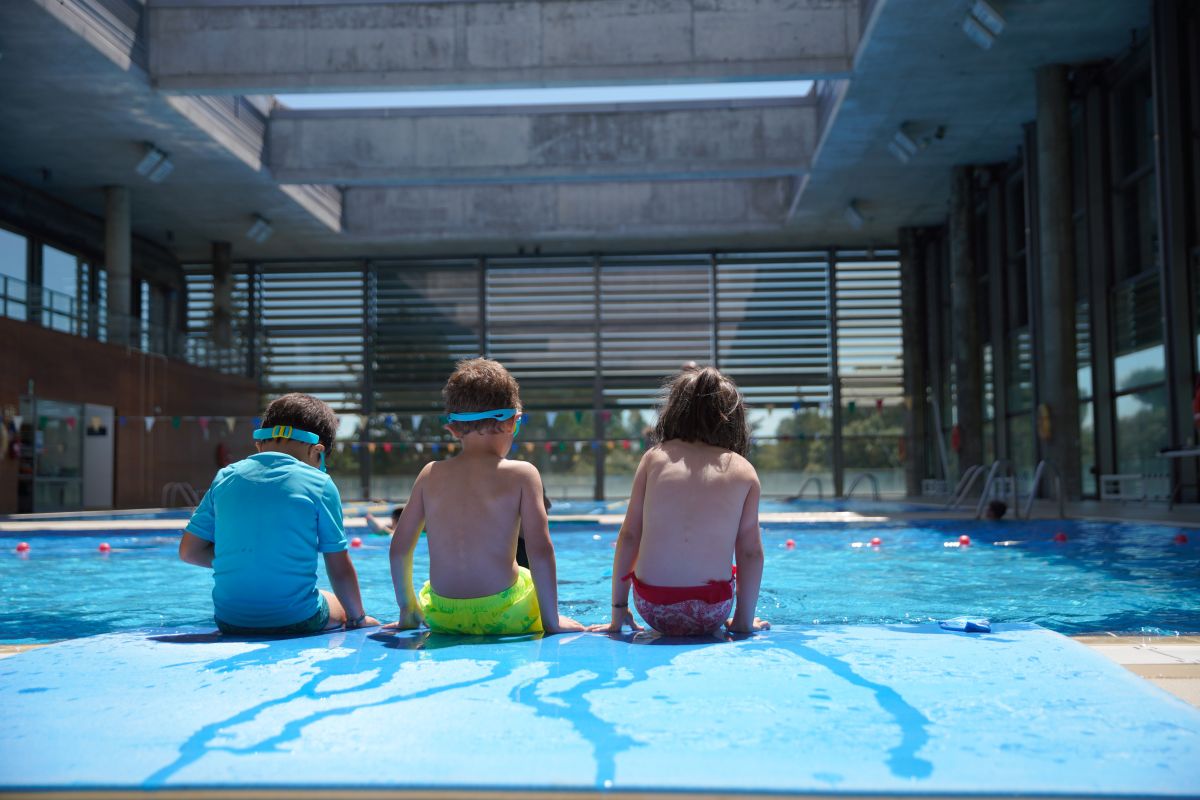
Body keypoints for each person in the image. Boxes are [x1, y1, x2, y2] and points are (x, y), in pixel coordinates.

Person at [387, 358, 584, 635]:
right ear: (513, 422)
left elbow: (399, 548)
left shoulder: (429, 474)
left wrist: (408, 609)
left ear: (453, 429)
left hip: (443, 615)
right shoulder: (523, 474)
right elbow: (540, 550)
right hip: (504, 614)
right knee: (526, 575)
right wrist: (552, 621)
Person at [179, 393, 378, 636]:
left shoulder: (226, 477)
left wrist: (245, 559)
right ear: (317, 452)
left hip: (230, 620)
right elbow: (339, 567)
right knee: (336, 603)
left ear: (259, 444)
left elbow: (189, 552)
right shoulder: (320, 483)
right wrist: (358, 618)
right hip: (297, 619)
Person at [595, 366, 769, 636]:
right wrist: (743, 622)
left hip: (652, 607)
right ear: (733, 420)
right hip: (712, 611)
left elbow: (629, 536)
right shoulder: (743, 470)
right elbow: (750, 552)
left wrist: (618, 612)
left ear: (675, 411)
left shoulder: (655, 458)